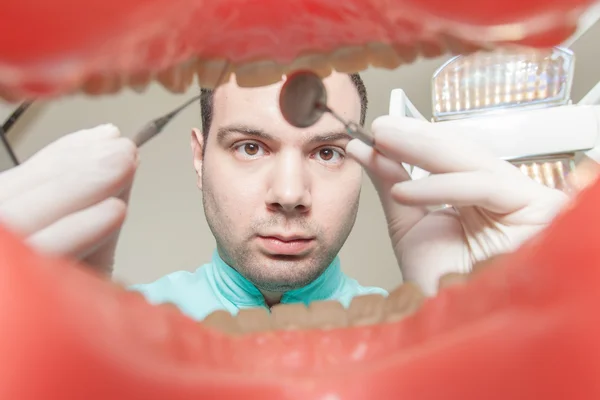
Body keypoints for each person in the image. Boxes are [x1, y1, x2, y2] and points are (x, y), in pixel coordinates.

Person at [0, 71, 569, 321]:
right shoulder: (108, 336)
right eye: (250, 146)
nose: (291, 194)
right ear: (199, 158)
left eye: (326, 152)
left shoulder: (427, 339)